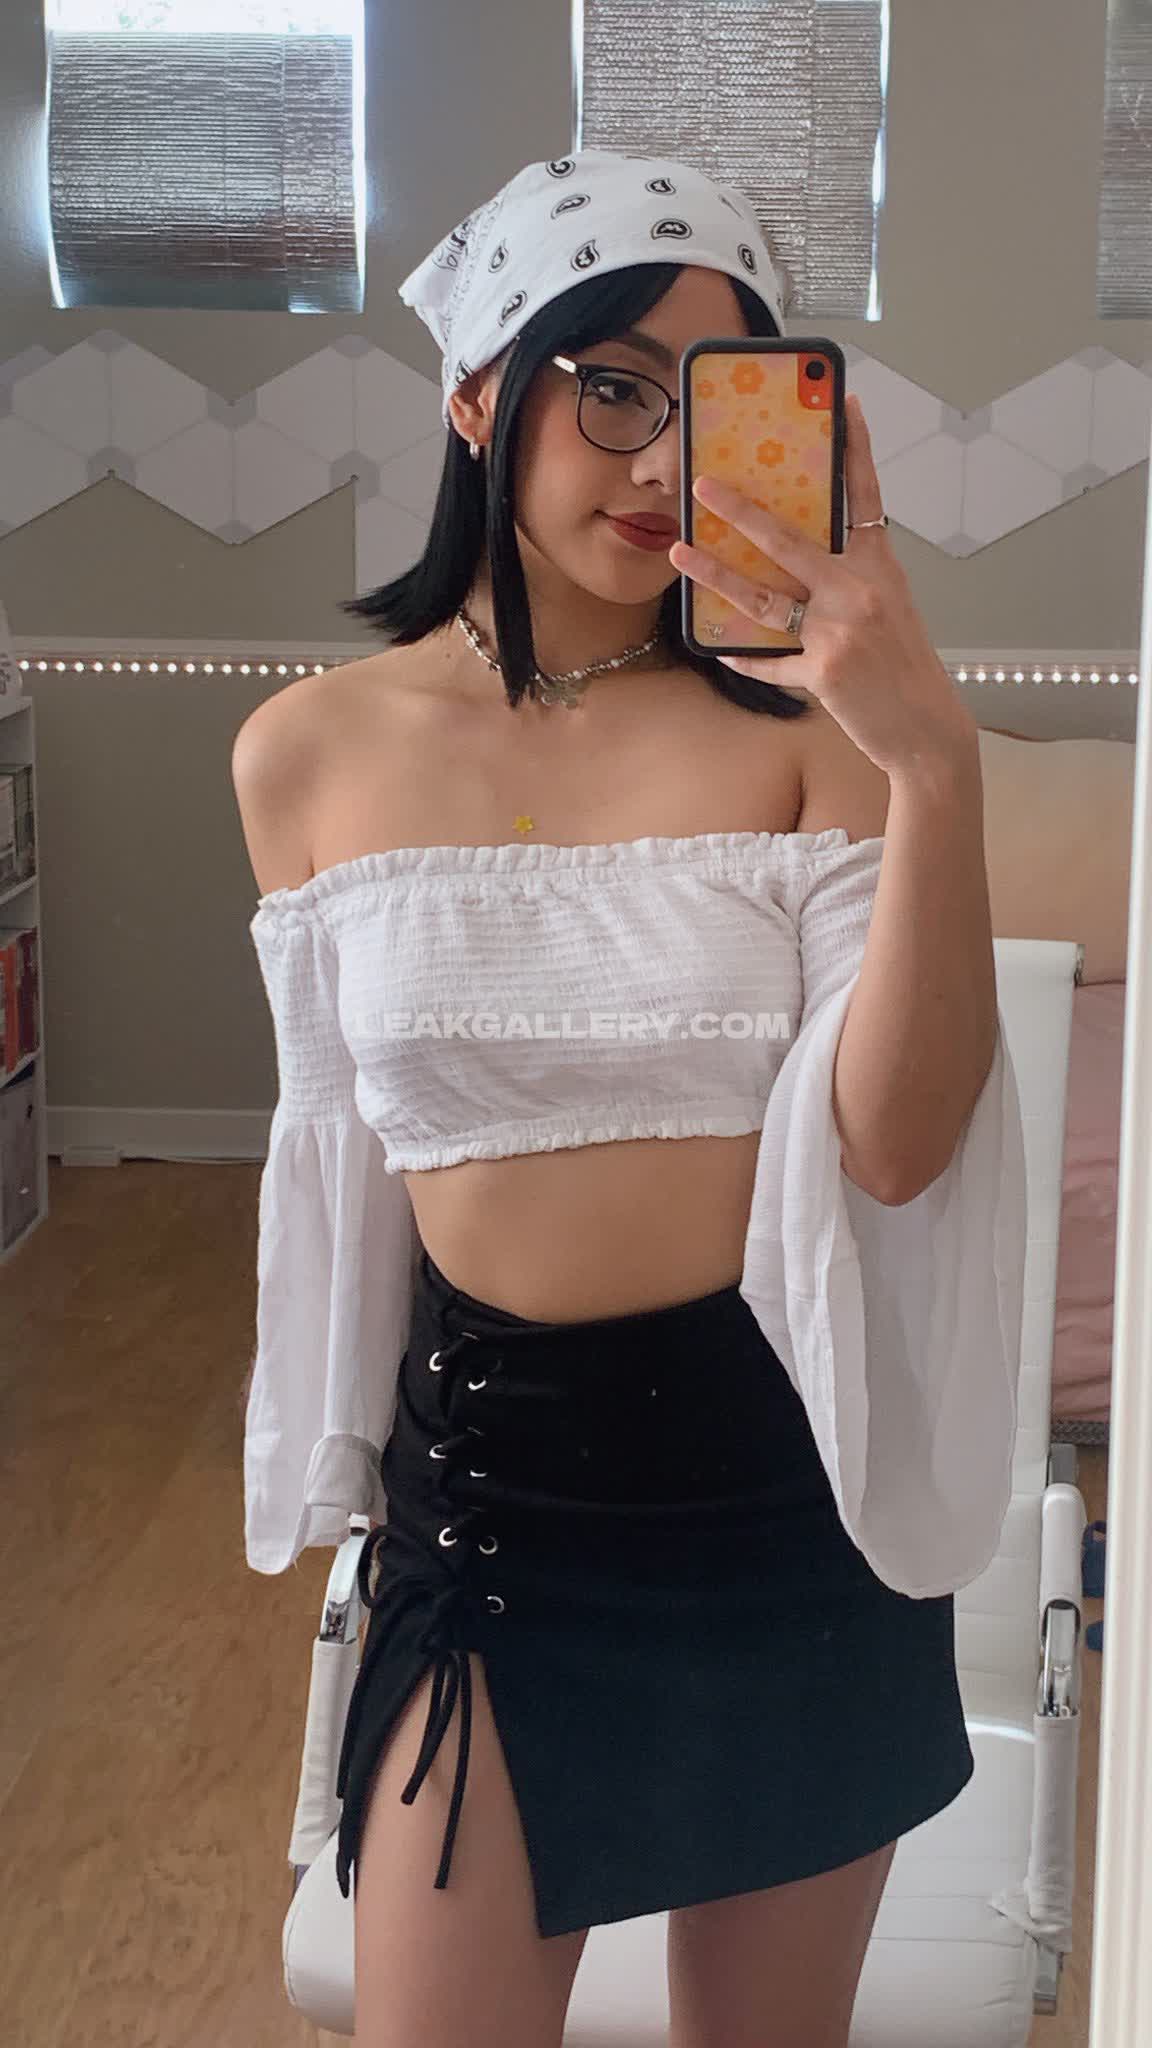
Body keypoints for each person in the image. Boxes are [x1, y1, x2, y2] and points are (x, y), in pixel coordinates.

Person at [232, 150, 1027, 2048]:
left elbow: (899, 1146)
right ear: (478, 398)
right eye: (610, 388)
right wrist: (333, 1480)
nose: (664, 455)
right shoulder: (306, 758)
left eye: (715, 398)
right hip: (491, 1526)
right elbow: (341, 1172)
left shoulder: (811, 739)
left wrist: (934, 768)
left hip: (791, 1501)